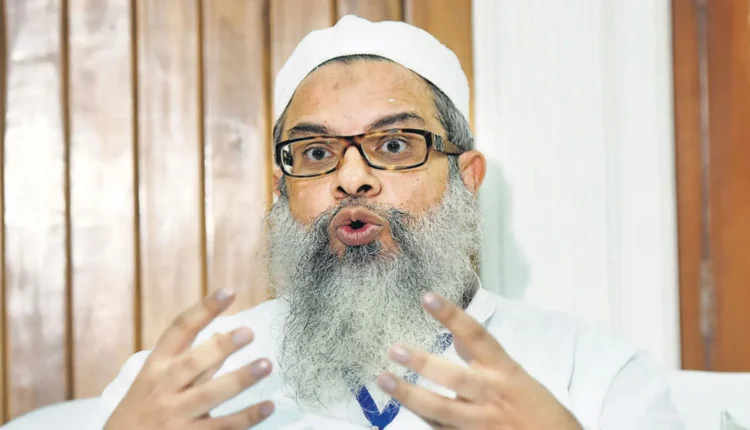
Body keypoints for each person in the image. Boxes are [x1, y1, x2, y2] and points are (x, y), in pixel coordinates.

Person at [97, 15, 684, 430]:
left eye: (396, 144)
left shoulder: (592, 372)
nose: (352, 178)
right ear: (282, 190)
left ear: (466, 177)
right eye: (317, 153)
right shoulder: (184, 384)